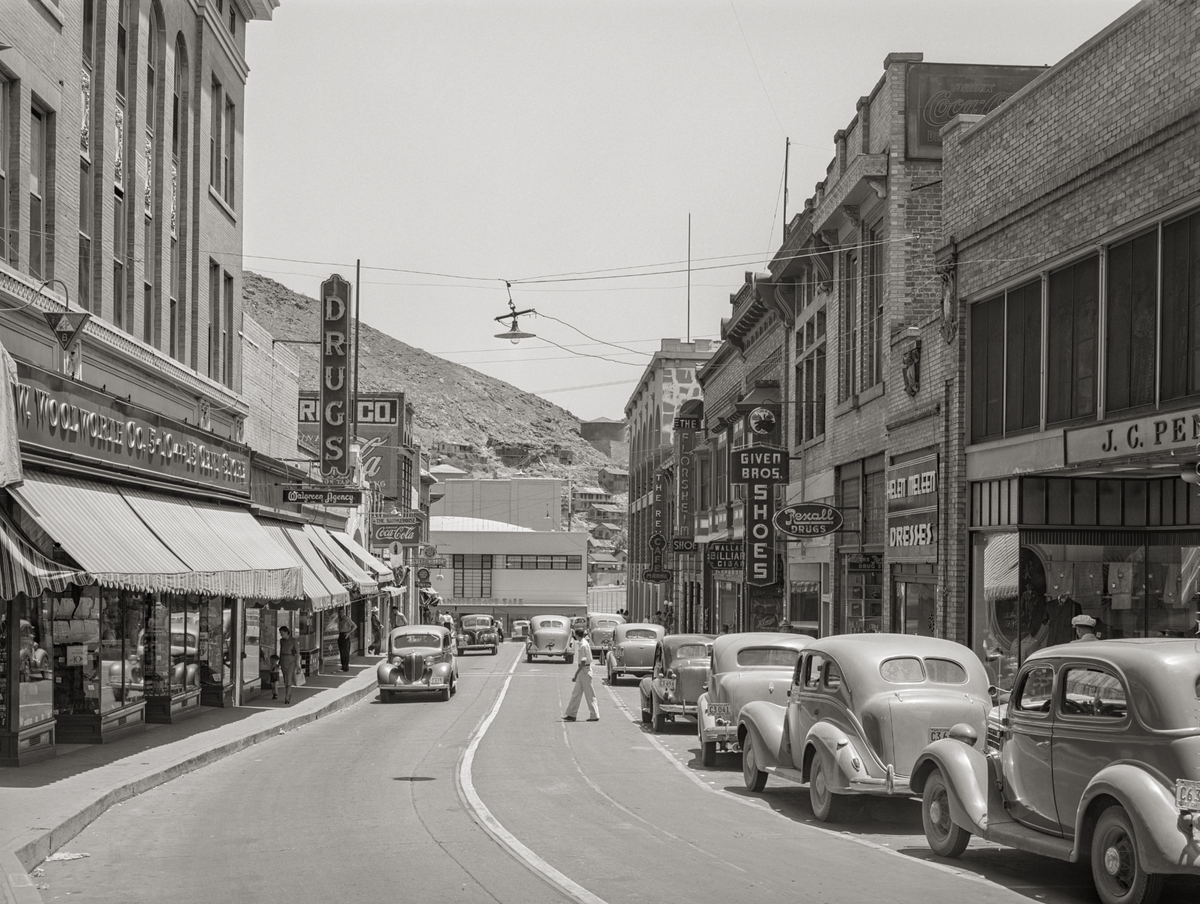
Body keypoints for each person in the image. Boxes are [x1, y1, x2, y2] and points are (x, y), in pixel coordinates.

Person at [562, 627, 599, 722]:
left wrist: (576, 674)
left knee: (589, 694)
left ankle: (594, 715)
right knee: (576, 693)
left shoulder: (583, 645)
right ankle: (571, 714)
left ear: (577, 635)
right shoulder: (583, 643)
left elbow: (583, 662)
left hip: (584, 670)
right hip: (583, 671)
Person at [278, 626, 299, 704]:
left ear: (287, 632)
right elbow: (280, 651)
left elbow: (297, 653)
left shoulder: (294, 640)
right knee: (285, 678)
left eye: (282, 633)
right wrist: (280, 661)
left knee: (289, 678)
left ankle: (287, 697)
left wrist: (297, 663)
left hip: (291, 660)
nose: (281, 635)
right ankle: (288, 694)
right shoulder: (282, 641)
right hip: (283, 659)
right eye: (280, 633)